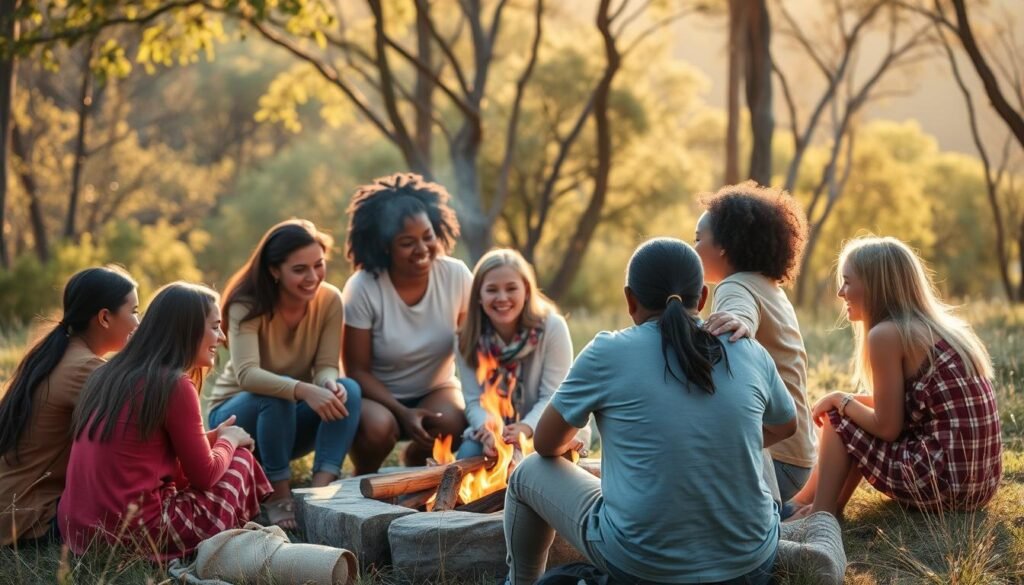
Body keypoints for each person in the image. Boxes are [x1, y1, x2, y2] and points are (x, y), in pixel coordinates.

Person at [504, 238, 796, 585]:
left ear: (630, 300)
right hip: (751, 565)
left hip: (642, 567)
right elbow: (786, 425)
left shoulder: (608, 352)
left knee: (528, 472)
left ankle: (518, 582)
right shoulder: (744, 346)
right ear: (702, 298)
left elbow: (545, 444)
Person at [786, 236, 1002, 520]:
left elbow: (887, 426)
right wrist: (839, 399)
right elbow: (898, 406)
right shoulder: (939, 329)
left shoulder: (888, 334)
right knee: (842, 410)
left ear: (877, 287)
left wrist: (840, 400)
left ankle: (820, 515)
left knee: (840, 418)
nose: (840, 292)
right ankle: (801, 502)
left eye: (848, 282)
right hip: (979, 485)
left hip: (941, 481)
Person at [59, 282, 272, 560]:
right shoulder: (173, 384)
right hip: (136, 534)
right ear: (188, 329)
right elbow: (204, 476)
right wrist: (230, 440)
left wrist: (213, 438)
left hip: (79, 532)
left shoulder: (108, 373)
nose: (220, 337)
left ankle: (249, 527)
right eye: (215, 326)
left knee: (226, 454)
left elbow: (146, 453)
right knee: (241, 459)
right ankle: (246, 534)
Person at [207, 219, 361, 530]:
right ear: (275, 270)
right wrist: (304, 390)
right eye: (300, 269)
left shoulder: (330, 300)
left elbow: (327, 364)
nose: (313, 277)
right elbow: (248, 374)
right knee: (275, 399)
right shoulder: (246, 304)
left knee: (350, 390)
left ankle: (319, 493)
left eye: (318, 265)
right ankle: (278, 497)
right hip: (237, 420)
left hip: (286, 424)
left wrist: (328, 383)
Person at [342, 173, 471, 474]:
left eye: (428, 236)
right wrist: (403, 412)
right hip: (378, 396)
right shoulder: (363, 287)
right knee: (377, 429)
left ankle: (415, 462)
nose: (423, 249)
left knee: (455, 421)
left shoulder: (456, 276)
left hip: (435, 388)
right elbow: (356, 371)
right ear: (384, 246)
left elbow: (471, 347)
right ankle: (363, 480)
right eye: (407, 243)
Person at [694, 182, 816, 502]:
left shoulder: (733, 287)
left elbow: (741, 316)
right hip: (797, 458)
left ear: (723, 245)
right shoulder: (769, 287)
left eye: (698, 239)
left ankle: (780, 521)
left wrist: (738, 322)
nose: (692, 249)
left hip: (774, 461)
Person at [0, 267, 138, 547]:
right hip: (29, 517)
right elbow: (144, 431)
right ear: (104, 317)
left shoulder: (58, 352)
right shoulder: (85, 368)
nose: (139, 322)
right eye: (134, 310)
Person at [455, 249, 587, 459]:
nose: (502, 298)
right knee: (468, 454)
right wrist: (489, 429)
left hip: (548, 426)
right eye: (491, 289)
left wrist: (526, 428)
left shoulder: (552, 327)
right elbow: (473, 402)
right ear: (478, 295)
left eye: (511, 288)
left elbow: (555, 397)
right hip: (497, 433)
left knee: (547, 464)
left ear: (526, 290)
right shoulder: (467, 336)